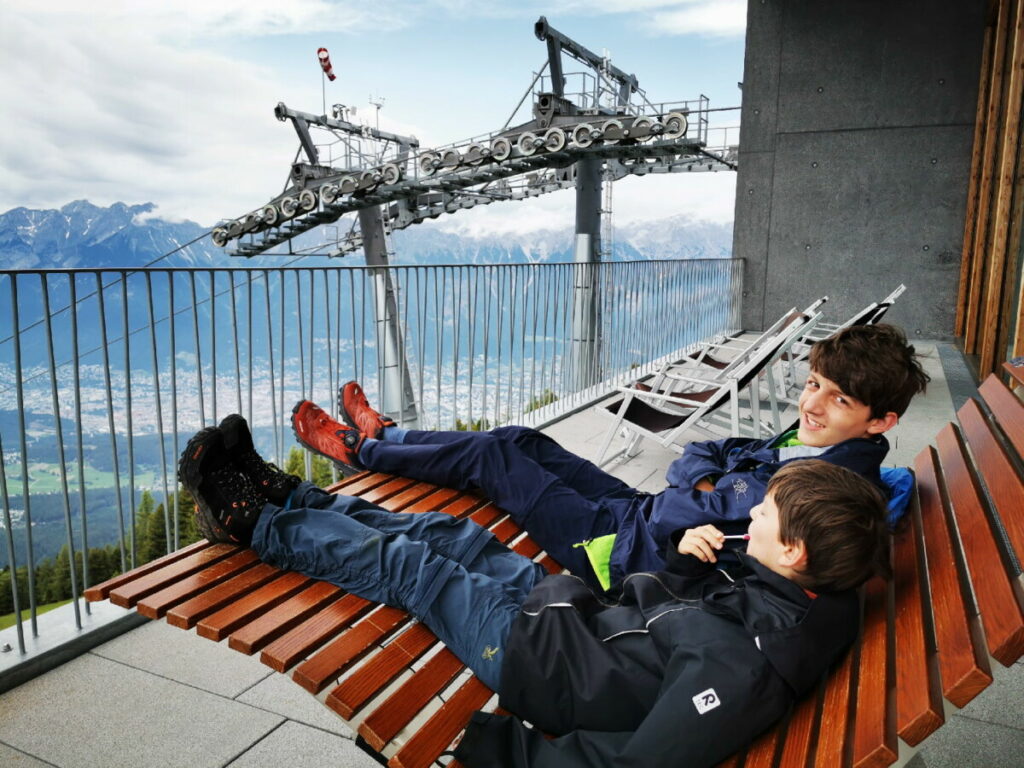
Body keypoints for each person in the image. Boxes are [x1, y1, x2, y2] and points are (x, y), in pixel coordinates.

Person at [178, 415, 890, 768]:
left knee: (412, 567)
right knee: (452, 538)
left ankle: (252, 523)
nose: (748, 518)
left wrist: (507, 753)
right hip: (578, 619)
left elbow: (640, 764)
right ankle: (290, 495)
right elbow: (675, 614)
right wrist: (691, 563)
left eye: (761, 516)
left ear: (793, 551)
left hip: (541, 660)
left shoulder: (741, 673)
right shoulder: (801, 589)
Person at [291, 323, 928, 591]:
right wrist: (701, 482)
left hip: (616, 553)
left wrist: (698, 494)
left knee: (492, 460)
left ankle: (365, 450)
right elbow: (702, 452)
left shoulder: (824, 489)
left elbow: (715, 540)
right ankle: (392, 437)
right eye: (814, 384)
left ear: (882, 420)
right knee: (518, 438)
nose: (812, 404)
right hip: (640, 513)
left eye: (838, 399)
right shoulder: (817, 444)